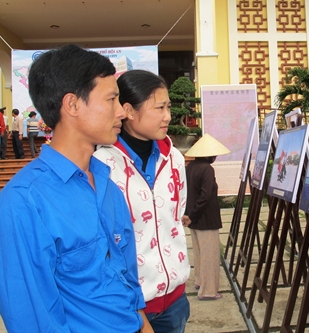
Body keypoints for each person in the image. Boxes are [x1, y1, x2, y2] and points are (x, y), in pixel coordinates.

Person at [0, 44, 150, 332]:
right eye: (112, 99)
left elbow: (125, 276)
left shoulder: (106, 184)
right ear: (72, 105)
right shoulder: (23, 203)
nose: (122, 113)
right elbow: (33, 319)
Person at [94, 69, 191, 333]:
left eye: (169, 107)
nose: (168, 116)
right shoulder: (103, 165)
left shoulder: (175, 160)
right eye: (159, 108)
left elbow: (177, 214)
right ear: (129, 111)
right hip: (128, 307)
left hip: (175, 302)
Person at [182, 133, 230, 300]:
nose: (215, 157)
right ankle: (208, 291)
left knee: (199, 253)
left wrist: (189, 215)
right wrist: (194, 214)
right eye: (214, 154)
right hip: (205, 218)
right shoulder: (207, 169)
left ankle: (200, 281)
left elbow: (187, 193)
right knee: (209, 255)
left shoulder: (190, 167)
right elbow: (205, 197)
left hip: (194, 218)